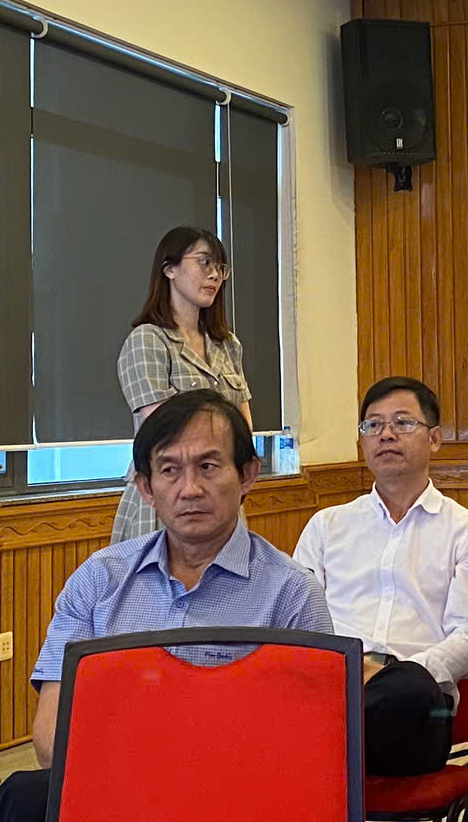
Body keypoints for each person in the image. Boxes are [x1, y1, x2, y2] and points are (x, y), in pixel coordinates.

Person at [0, 390, 331, 822]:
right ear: (146, 488)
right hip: (113, 789)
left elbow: (314, 743)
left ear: (248, 474)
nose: (189, 489)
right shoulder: (98, 579)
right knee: (23, 794)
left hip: (235, 797)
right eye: (169, 470)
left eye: (208, 466)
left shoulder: (292, 593)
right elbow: (50, 737)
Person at [294, 376, 468, 776]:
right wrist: (347, 672)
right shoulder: (326, 526)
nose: (386, 434)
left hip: (418, 708)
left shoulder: (467, 531)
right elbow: (298, 623)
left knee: (407, 691)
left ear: (435, 439)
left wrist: (394, 673)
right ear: (362, 441)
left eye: (403, 423)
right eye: (373, 425)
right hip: (332, 689)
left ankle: (313, 747)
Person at [112, 227, 256, 545]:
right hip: (168, 494)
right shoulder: (147, 340)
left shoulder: (228, 345)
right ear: (170, 269)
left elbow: (243, 425)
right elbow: (163, 431)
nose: (214, 275)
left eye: (220, 267)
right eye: (204, 262)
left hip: (222, 493)